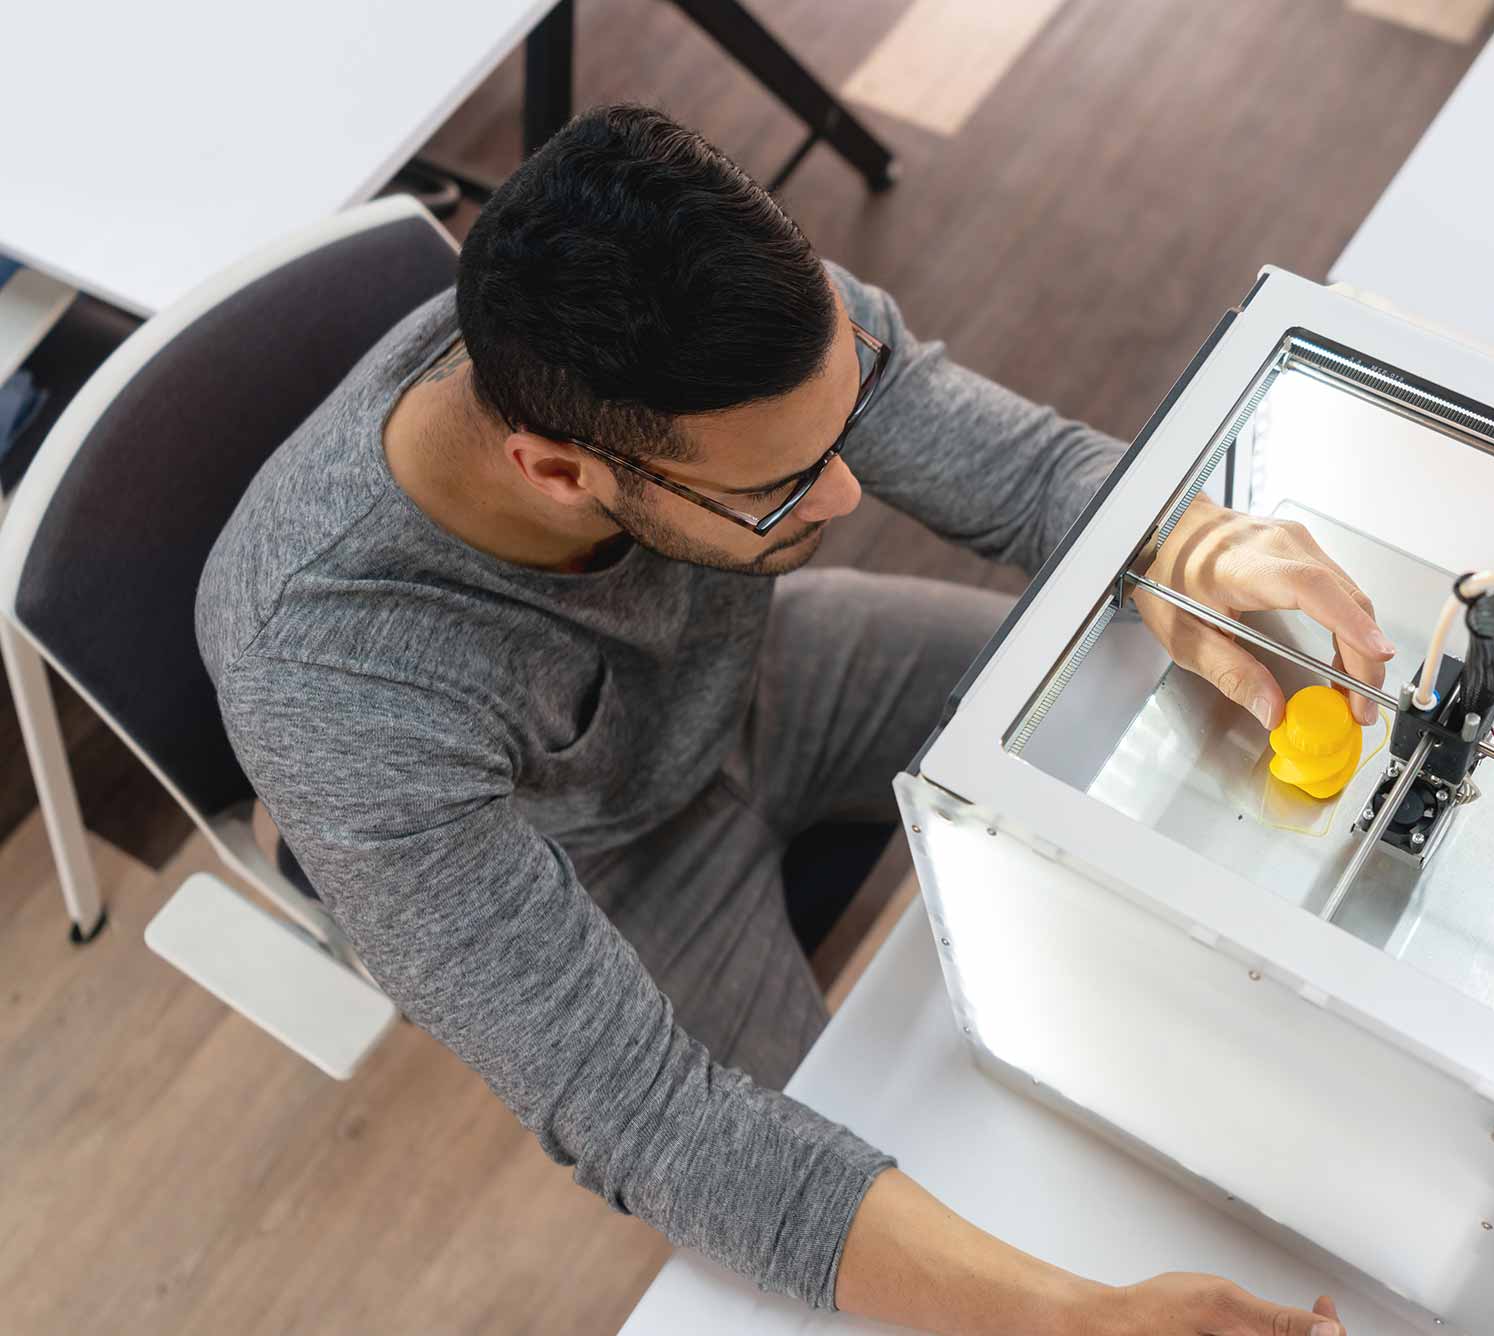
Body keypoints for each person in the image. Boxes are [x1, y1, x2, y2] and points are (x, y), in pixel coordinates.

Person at [196, 104, 1391, 1335]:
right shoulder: (330, 684)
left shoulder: (713, 308)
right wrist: (1069, 1314)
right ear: (559, 473)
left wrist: (1185, 543)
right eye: (780, 490)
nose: (849, 486)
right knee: (931, 1230)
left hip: (773, 677)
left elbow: (1033, 478)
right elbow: (646, 1116)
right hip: (607, 868)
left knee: (1171, 694)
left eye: (844, 414)